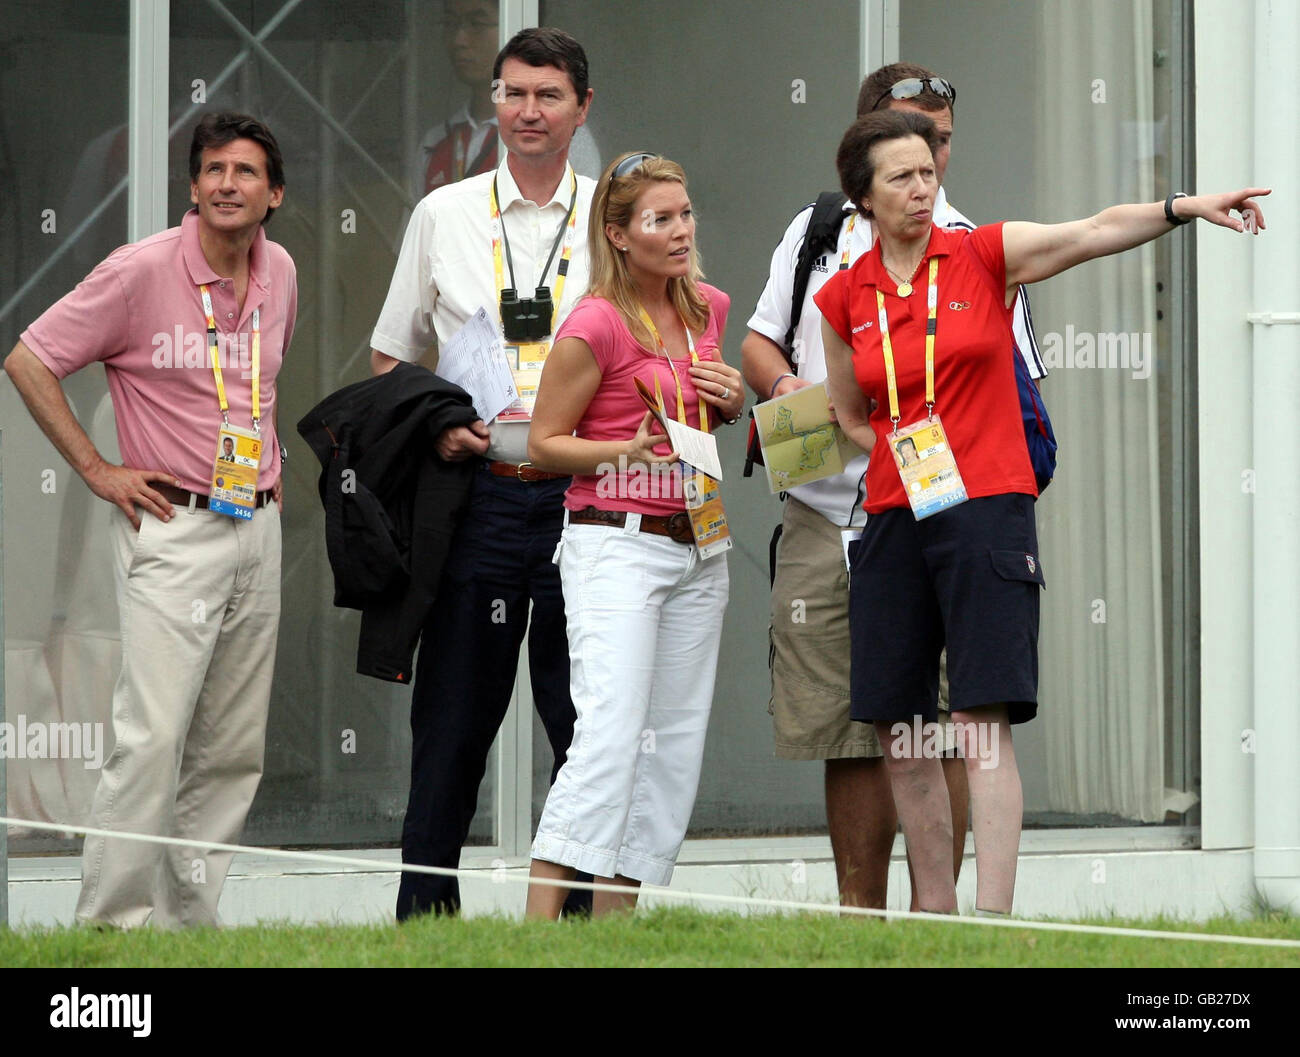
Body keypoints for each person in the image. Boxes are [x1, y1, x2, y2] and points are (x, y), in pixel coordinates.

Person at [817, 107, 1267, 913]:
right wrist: (889, 450)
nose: (924, 189)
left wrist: (1182, 208)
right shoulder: (843, 295)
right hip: (893, 513)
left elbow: (1091, 229)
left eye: (929, 171)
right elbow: (850, 410)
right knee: (901, 727)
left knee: (982, 720)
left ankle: (990, 917)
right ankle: (933, 916)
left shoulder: (982, 253)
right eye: (902, 178)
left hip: (988, 505)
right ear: (864, 199)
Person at [742, 63, 1048, 908]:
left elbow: (1015, 378)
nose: (930, 164)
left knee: (958, 721)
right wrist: (803, 408)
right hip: (825, 506)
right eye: (912, 140)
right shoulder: (814, 234)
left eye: (941, 142)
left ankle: (940, 911)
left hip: (947, 506)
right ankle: (861, 917)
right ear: (863, 144)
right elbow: (760, 347)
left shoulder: (972, 245)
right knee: (856, 721)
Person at [4, 112, 295, 928]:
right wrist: (97, 469)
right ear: (193, 188)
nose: (226, 184)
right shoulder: (140, 271)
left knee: (231, 748)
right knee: (153, 738)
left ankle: (190, 925)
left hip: (256, 525)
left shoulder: (283, 272)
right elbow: (29, 358)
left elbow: (259, 389)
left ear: (274, 193)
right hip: (174, 527)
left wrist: (269, 475)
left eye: (244, 172)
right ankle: (112, 926)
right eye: (211, 170)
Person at [370, 27, 597, 919]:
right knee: (453, 725)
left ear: (581, 106)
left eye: (546, 95)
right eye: (512, 93)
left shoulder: (614, 215)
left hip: (586, 501)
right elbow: (393, 362)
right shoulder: (445, 213)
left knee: (582, 720)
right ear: (493, 102)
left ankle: (583, 921)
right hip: (478, 500)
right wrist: (438, 431)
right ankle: (424, 920)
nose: (526, 111)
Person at [523, 152, 744, 918]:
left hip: (698, 541)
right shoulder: (595, 323)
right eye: (661, 218)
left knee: (672, 746)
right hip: (612, 541)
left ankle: (619, 928)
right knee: (610, 736)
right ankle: (539, 927)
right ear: (618, 235)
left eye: (685, 213)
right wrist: (619, 450)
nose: (681, 230)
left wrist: (733, 398)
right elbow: (543, 442)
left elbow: (701, 424)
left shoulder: (706, 309)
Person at [413, 0, 601, 197]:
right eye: (450, 23)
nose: (459, 40)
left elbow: (575, 217)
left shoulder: (564, 137)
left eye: (477, 23)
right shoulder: (435, 142)